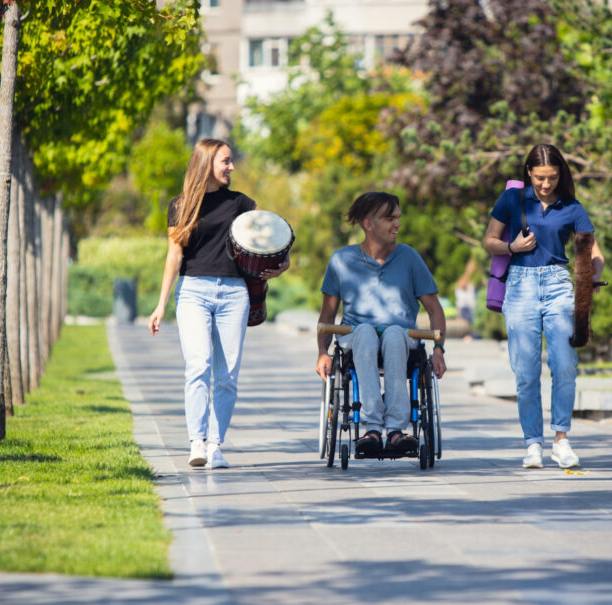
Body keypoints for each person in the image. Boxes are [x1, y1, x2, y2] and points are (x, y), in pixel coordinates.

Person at [148, 138, 288, 469]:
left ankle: (215, 446)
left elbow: (271, 237)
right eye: (225, 161)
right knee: (199, 365)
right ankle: (196, 442)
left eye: (231, 161)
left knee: (227, 376)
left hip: (234, 293)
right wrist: (160, 305)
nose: (232, 167)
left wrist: (284, 263)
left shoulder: (242, 203)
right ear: (207, 162)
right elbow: (174, 255)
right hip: (193, 291)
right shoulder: (180, 205)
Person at [482, 144, 604, 469]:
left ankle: (561, 439)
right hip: (520, 285)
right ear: (528, 173)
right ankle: (532, 444)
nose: (546, 185)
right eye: (539, 178)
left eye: (551, 178)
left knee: (564, 364)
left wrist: (592, 277)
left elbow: (593, 252)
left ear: (560, 174)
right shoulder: (513, 199)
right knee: (526, 372)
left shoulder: (572, 207)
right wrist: (511, 246)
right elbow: (489, 240)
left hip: (558, 285)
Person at [316, 192, 447, 455]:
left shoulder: (409, 258)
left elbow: (434, 309)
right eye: (390, 218)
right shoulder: (342, 260)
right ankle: (372, 427)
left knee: (395, 333)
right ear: (369, 223)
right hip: (356, 337)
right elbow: (327, 316)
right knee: (364, 331)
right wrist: (322, 353)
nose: (398, 224)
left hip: (401, 337)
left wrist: (439, 349)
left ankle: (397, 429)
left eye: (398, 217)